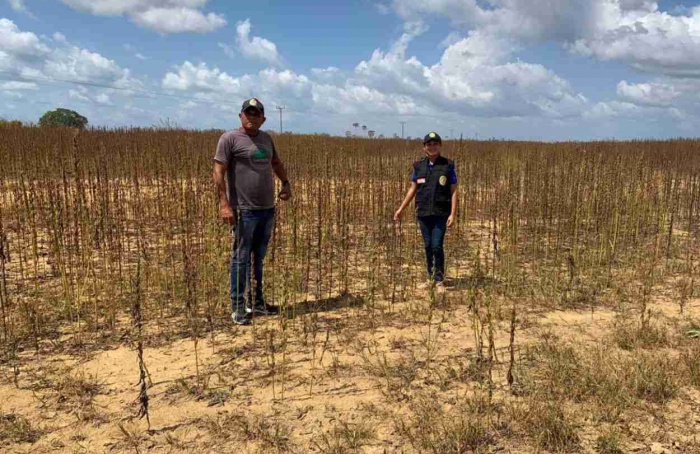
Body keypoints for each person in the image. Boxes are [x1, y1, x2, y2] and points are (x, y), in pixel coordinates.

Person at [213, 98, 292, 325]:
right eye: (248, 113)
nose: (252, 117)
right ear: (240, 116)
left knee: (259, 257)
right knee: (240, 258)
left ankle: (257, 302)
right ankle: (238, 308)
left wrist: (285, 183)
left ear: (263, 119)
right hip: (244, 210)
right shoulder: (229, 139)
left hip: (267, 209)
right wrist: (224, 204)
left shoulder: (266, 139)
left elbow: (275, 163)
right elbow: (218, 171)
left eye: (256, 114)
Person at [394, 132, 458, 292]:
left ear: (440, 146)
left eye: (435, 144)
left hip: (441, 212)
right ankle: (430, 277)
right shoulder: (419, 166)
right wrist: (401, 208)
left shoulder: (448, 166)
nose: (432, 147)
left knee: (437, 245)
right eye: (429, 144)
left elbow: (454, 191)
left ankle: (439, 280)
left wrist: (453, 213)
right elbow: (413, 188)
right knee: (428, 246)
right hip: (423, 212)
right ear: (424, 148)